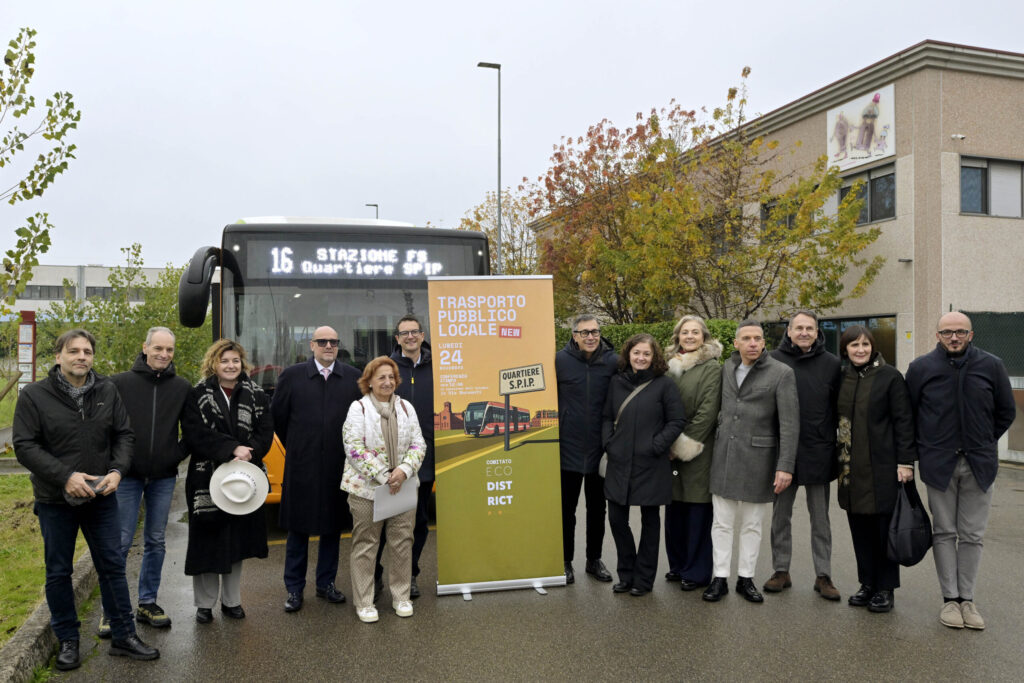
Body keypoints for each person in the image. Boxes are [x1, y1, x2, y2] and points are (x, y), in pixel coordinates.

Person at [14, 329, 159, 671]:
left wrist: (118, 471)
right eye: (74, 351)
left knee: (112, 565)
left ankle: (124, 635)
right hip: (55, 499)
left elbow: (123, 434)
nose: (81, 356)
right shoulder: (34, 395)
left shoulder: (107, 390)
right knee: (59, 572)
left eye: (87, 351)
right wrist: (65, 476)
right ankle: (68, 640)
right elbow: (25, 445)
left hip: (101, 497)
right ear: (58, 356)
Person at [906, 312, 1015, 630]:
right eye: (947, 332)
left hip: (979, 465)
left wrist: (980, 441)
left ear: (971, 334)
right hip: (938, 465)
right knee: (944, 533)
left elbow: (1006, 411)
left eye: (960, 332)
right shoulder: (921, 368)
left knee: (972, 535)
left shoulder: (991, 365)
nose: (954, 337)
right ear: (937, 334)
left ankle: (968, 600)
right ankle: (949, 601)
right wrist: (918, 453)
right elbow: (909, 415)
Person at [703, 320, 799, 604]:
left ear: (764, 342)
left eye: (758, 338)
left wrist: (785, 466)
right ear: (736, 343)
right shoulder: (727, 368)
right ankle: (719, 577)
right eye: (747, 338)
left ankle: (746, 578)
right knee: (721, 523)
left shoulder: (782, 373)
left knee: (752, 524)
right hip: (725, 457)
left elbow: (790, 425)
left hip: (760, 458)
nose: (753, 343)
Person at [103, 326, 190, 635]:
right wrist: (117, 463)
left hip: (164, 477)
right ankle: (111, 608)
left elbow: (190, 431)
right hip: (126, 477)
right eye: (158, 349)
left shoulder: (181, 387)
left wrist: (174, 456)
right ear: (145, 348)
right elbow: (107, 428)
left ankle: (147, 602)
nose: (164, 354)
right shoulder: (119, 384)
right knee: (121, 541)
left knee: (155, 540)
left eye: (169, 350)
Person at [182, 339, 273, 624]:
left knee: (237, 541)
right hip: (205, 477)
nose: (230, 365)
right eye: (224, 361)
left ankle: (232, 601)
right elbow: (195, 433)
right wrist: (231, 449)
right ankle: (204, 604)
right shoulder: (196, 394)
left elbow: (265, 432)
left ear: (242, 364)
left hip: (245, 477)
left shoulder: (257, 395)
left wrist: (249, 453)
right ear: (214, 364)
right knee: (207, 538)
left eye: (235, 360)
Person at [271, 326, 361, 613]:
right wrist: (301, 446)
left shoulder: (352, 378)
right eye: (322, 342)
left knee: (332, 529)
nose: (328, 346)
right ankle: (294, 589)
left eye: (333, 342)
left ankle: (326, 584)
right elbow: (279, 419)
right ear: (311, 345)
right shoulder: (292, 376)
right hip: (302, 465)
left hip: (338, 465)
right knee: (298, 530)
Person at [836, 325, 916, 613]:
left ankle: (885, 588)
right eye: (854, 345)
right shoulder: (843, 376)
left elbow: (904, 421)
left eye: (865, 345)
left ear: (873, 347)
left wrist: (905, 462)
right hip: (850, 470)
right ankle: (867, 584)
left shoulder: (890, 377)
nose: (860, 350)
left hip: (883, 468)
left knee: (884, 530)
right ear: (845, 349)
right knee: (860, 530)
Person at [342, 356, 426, 623]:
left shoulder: (406, 407)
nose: (387, 382)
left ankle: (401, 597)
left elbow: (418, 444)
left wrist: (403, 471)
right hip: (366, 489)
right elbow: (353, 446)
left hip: (402, 486)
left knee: (402, 543)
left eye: (391, 377)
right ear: (369, 381)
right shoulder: (359, 409)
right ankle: (365, 602)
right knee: (366, 545)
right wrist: (382, 474)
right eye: (381, 377)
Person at [765, 311, 842, 600]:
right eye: (799, 328)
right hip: (783, 452)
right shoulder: (772, 360)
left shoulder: (832, 364)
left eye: (809, 328)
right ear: (788, 330)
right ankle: (780, 570)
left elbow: (837, 407)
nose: (804, 332)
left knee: (820, 518)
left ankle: (823, 575)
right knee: (780, 516)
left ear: (817, 331)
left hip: (819, 450)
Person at [601, 334, 686, 596]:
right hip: (619, 462)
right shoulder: (616, 383)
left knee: (650, 522)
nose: (641, 358)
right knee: (617, 519)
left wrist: (655, 446)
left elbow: (677, 421)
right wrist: (610, 443)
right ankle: (626, 574)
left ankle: (644, 579)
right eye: (636, 353)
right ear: (628, 355)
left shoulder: (664, 385)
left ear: (654, 357)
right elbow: (606, 417)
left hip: (651, 464)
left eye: (646, 354)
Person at [374, 316, 435, 599]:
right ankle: (374, 576)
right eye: (404, 333)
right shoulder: (384, 368)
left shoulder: (440, 366)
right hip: (390, 459)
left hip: (426, 457)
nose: (410, 337)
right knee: (383, 523)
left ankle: (409, 574)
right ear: (397, 338)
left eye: (415, 332)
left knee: (418, 522)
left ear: (422, 336)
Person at [556, 314, 618, 584]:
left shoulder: (613, 361)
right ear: (574, 336)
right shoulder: (559, 361)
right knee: (565, 509)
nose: (591, 337)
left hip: (599, 448)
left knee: (597, 508)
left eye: (595, 331)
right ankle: (565, 561)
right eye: (585, 333)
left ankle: (594, 559)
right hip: (566, 447)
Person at [664, 315, 722, 592]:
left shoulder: (711, 367)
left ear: (704, 337)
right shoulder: (671, 367)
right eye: (684, 332)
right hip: (669, 446)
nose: (689, 336)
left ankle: (697, 572)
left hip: (697, 448)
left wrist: (681, 447)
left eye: (695, 332)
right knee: (675, 509)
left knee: (697, 509)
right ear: (678, 337)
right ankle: (677, 565)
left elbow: (707, 413)